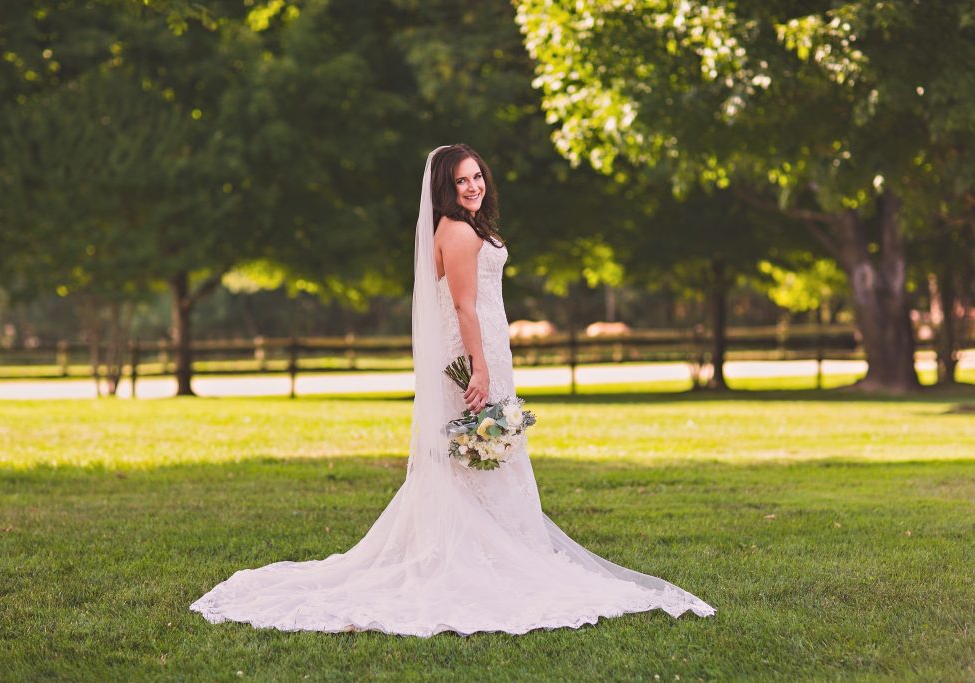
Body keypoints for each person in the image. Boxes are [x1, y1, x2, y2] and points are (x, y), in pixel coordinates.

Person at [189, 144, 715, 636]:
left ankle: (499, 546)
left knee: (479, 458)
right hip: (474, 355)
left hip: (483, 351)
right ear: (444, 187)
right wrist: (480, 369)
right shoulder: (459, 233)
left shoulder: (461, 227)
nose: (473, 186)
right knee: (478, 456)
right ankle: (490, 556)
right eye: (462, 180)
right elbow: (464, 307)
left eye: (477, 176)